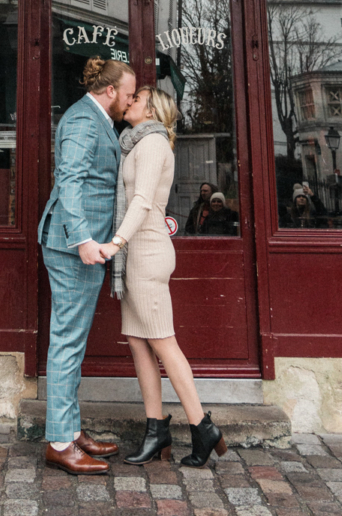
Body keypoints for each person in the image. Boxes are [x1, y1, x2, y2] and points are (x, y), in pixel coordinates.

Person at [99, 86, 227, 469]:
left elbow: (141, 200)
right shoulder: (135, 143)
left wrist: (115, 241)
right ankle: (157, 430)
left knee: (164, 344)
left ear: (152, 110)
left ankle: (202, 426)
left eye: (136, 98)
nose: (129, 102)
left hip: (147, 250)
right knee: (139, 344)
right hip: (135, 252)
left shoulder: (153, 144)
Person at [38, 56, 137, 475]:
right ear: (110, 90)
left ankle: (71, 429)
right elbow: (71, 180)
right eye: (129, 94)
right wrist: (82, 240)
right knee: (67, 341)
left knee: (72, 341)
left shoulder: (94, 118)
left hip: (82, 245)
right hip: (73, 247)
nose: (130, 102)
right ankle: (60, 443)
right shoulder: (83, 121)